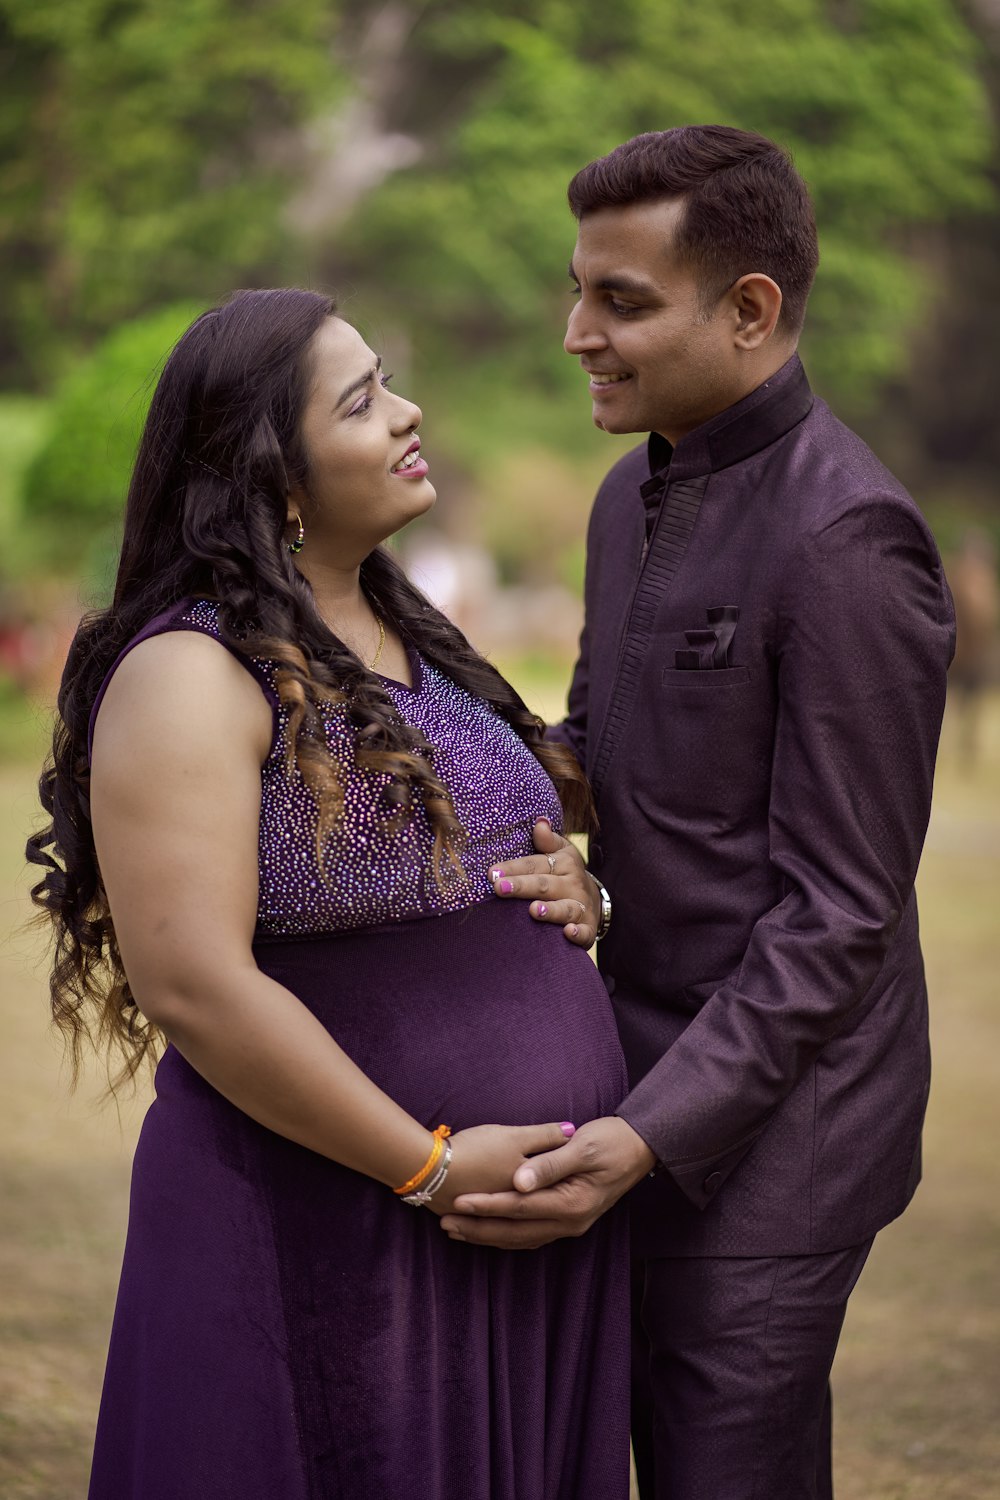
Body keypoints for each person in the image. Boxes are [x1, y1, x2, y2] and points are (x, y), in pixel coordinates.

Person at [27, 288, 632, 1500]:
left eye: (388, 380)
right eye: (361, 400)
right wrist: (424, 1164)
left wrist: (586, 892)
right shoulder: (191, 673)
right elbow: (194, 984)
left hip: (508, 1238)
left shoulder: (405, 633)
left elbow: (499, 846)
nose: (408, 413)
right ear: (276, 478)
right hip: (332, 1234)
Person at [441, 127, 956, 1500]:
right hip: (637, 1066)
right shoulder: (630, 496)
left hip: (785, 1131)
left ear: (750, 311)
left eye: (621, 301)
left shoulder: (851, 541)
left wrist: (653, 1133)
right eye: (576, 292)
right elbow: (598, 757)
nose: (575, 335)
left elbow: (841, 911)